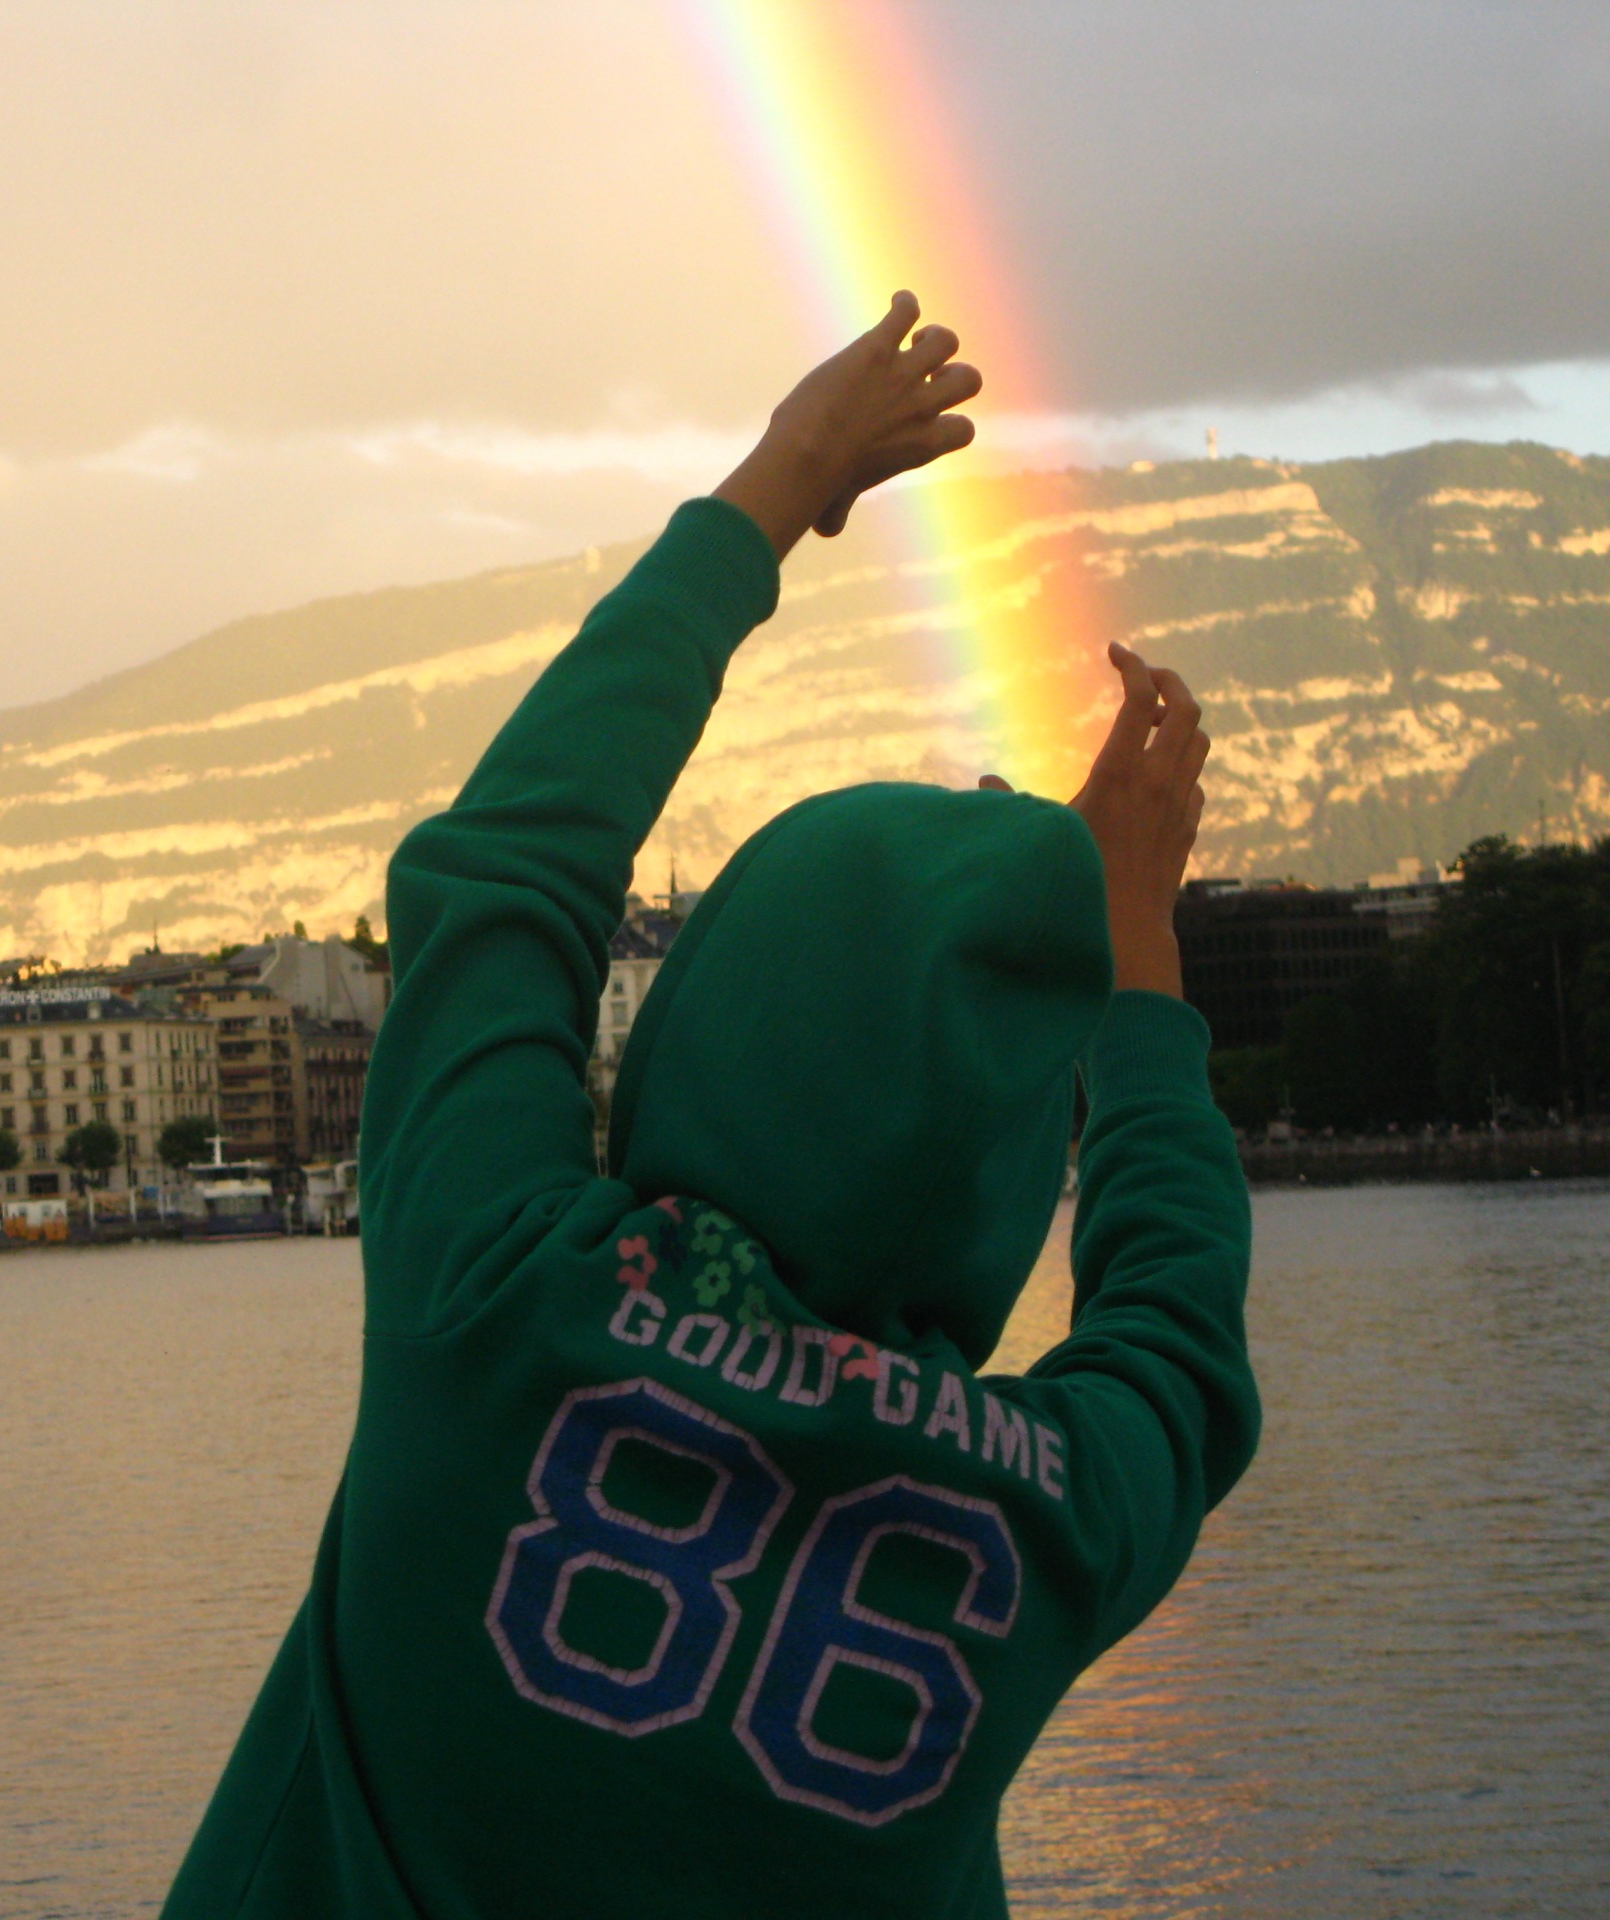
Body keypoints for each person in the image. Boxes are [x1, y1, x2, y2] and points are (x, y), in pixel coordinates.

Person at [164, 294, 1259, 1918]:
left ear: (705, 1017)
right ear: (1014, 1168)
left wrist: (775, 488)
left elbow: (504, 870)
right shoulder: (1050, 1511)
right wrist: (1136, 965)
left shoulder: (496, 1292)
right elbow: (1177, 1336)